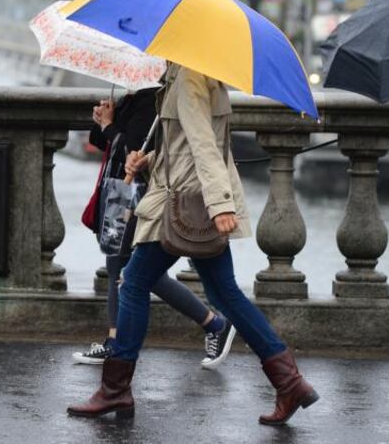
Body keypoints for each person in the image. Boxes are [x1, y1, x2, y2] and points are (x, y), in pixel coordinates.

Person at [67, 65, 318, 426]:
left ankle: (115, 388)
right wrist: (148, 160)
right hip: (191, 199)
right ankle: (290, 382)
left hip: (185, 204)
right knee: (224, 292)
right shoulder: (187, 75)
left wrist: (220, 205)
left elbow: (205, 144)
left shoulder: (188, 79)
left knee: (134, 282)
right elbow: (182, 144)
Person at [73, 89, 236, 369]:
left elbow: (134, 148)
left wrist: (110, 126)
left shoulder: (151, 100)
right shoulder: (129, 98)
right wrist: (101, 121)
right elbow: (102, 142)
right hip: (116, 191)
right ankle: (214, 324)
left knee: (121, 267)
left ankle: (115, 343)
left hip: (136, 194)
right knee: (140, 271)